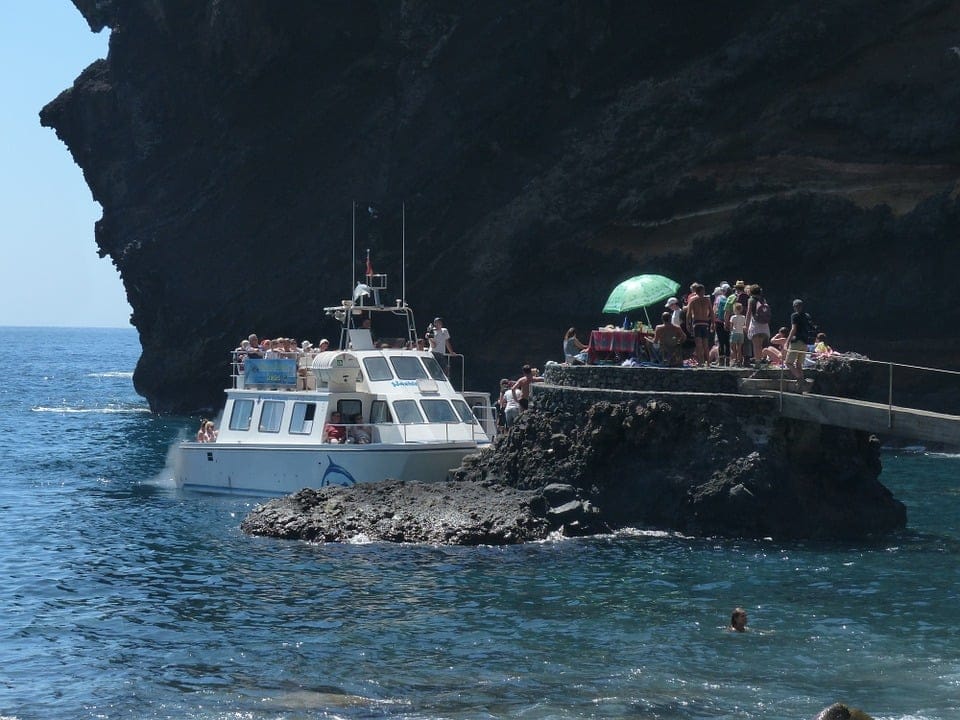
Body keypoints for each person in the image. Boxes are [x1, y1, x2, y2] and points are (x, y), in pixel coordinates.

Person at [783, 299, 813, 391]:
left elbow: (793, 329)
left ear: (795, 307)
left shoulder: (794, 315)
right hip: (805, 342)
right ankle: (800, 388)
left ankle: (800, 379)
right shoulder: (807, 316)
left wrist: (787, 342)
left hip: (796, 342)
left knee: (788, 363)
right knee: (799, 364)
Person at [685, 283, 714, 367]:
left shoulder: (693, 300)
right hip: (705, 323)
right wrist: (712, 323)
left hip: (697, 323)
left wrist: (688, 323)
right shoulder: (707, 300)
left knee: (699, 344)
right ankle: (708, 362)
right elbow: (711, 312)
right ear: (702, 291)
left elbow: (689, 313)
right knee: (705, 343)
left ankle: (701, 362)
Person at [746, 285, 771, 367]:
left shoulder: (751, 300)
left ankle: (757, 363)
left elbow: (749, 313)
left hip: (755, 324)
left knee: (756, 345)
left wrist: (746, 325)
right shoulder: (763, 299)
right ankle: (760, 360)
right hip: (764, 325)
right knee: (760, 344)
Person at [728, 302, 747, 367]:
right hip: (741, 333)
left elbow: (731, 326)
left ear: (734, 309)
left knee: (733, 348)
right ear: (741, 309)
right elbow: (744, 326)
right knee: (739, 348)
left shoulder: (733, 317)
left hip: (734, 333)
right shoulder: (743, 317)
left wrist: (731, 331)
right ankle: (739, 361)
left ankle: (734, 360)